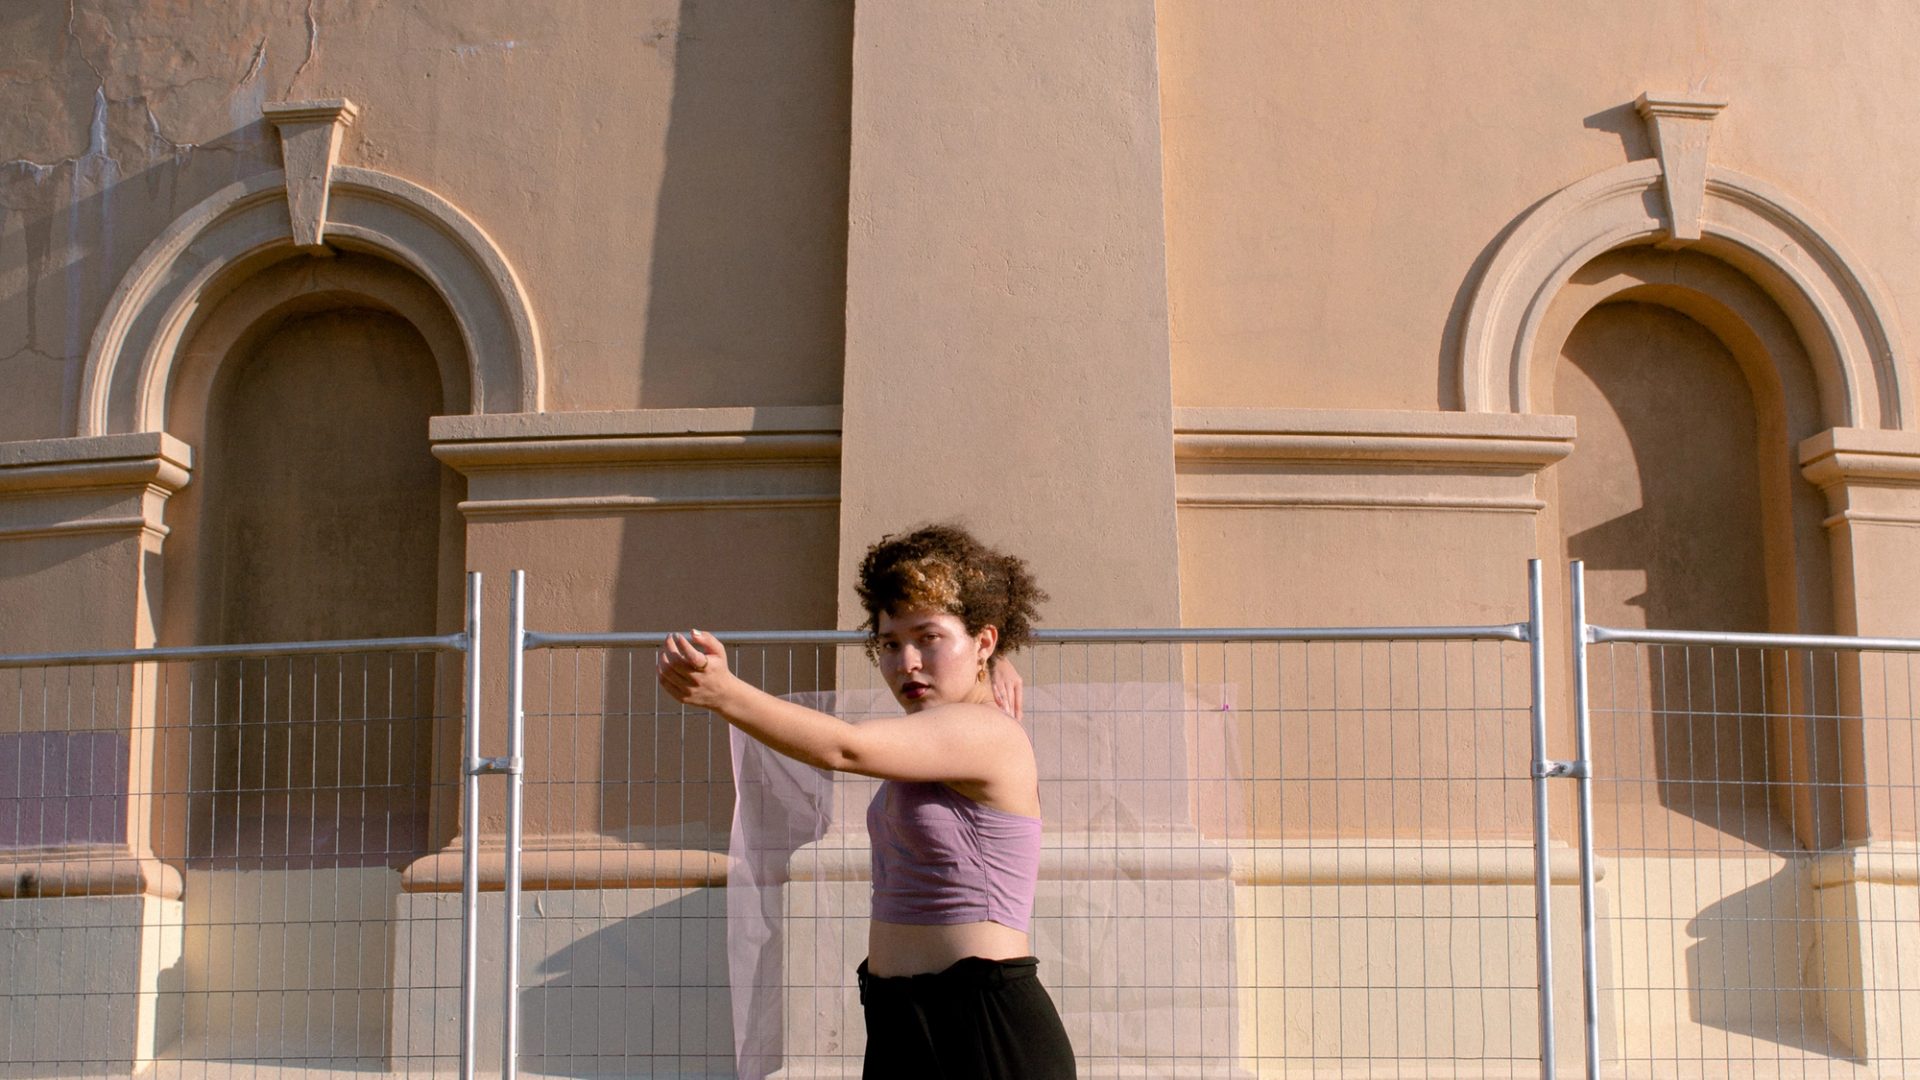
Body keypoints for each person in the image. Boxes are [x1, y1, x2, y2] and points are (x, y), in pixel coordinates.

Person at [655, 523, 1077, 1078]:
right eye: (890, 643)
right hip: (898, 1019)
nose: (907, 662)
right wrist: (978, 660)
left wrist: (727, 694)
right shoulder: (939, 731)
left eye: (928, 637)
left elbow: (845, 749)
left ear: (986, 639)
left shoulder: (988, 732)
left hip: (982, 1026)